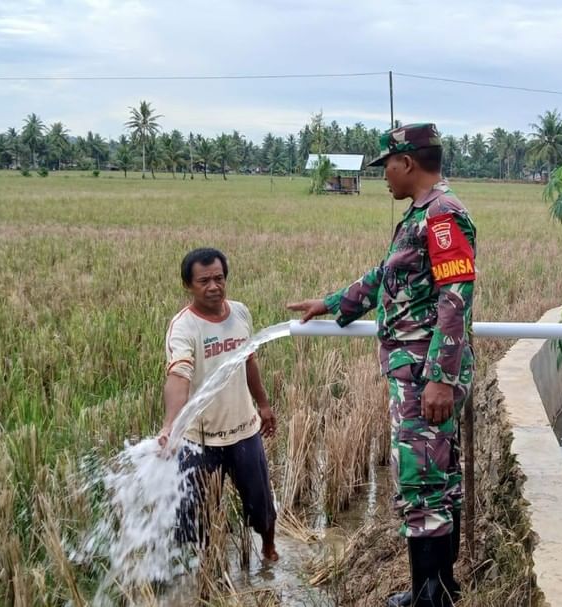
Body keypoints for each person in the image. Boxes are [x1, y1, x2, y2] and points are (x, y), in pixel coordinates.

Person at [287, 123, 475, 607]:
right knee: (437, 478)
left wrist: (440, 379)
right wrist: (333, 303)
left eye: (387, 165)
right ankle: (441, 590)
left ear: (407, 162)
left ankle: (429, 599)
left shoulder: (441, 215)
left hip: (424, 376)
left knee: (422, 483)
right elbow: (386, 277)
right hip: (418, 373)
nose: (384, 175)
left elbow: (455, 297)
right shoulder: (422, 214)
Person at [158, 247, 279, 561]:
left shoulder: (240, 313)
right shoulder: (184, 327)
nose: (213, 286)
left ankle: (269, 552)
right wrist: (170, 425)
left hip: (244, 431)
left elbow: (249, 361)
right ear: (188, 285)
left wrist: (263, 404)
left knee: (262, 506)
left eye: (219, 278)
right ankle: (203, 570)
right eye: (204, 281)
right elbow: (179, 376)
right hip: (198, 439)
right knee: (193, 518)